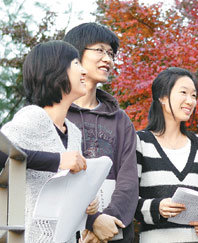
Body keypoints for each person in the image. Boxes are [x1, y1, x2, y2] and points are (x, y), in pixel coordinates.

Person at [0, 40, 96, 242]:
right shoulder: (32, 117)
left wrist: (86, 203)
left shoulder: (74, 133)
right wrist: (56, 160)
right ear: (56, 70)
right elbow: (2, 153)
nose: (84, 71)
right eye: (77, 63)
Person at [63, 23, 138, 242]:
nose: (108, 59)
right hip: (67, 230)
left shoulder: (120, 120)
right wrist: (92, 221)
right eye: (100, 50)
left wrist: (107, 222)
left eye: (111, 53)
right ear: (76, 54)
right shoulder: (57, 112)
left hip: (114, 231)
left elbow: (129, 180)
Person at [135, 67, 198, 242]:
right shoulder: (140, 142)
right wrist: (157, 207)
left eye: (194, 95)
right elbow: (129, 199)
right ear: (162, 97)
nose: (190, 101)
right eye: (183, 92)